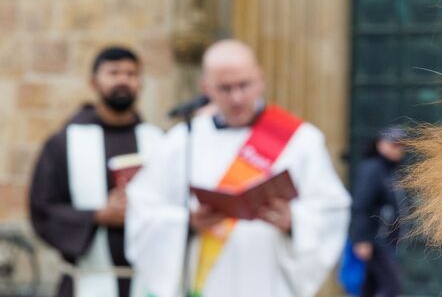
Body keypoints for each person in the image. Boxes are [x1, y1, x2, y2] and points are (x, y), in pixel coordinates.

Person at [126, 39, 351, 297]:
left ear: (261, 79)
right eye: (224, 88)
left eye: (244, 85)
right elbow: (143, 208)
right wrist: (188, 222)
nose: (237, 98)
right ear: (206, 87)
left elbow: (332, 210)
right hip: (206, 282)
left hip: (269, 280)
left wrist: (294, 221)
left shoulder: (301, 140)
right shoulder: (182, 140)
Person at [28, 47, 164, 297]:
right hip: (88, 281)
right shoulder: (64, 143)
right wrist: (97, 216)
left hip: (146, 283)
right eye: (113, 73)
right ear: (94, 82)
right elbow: (42, 207)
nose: (123, 80)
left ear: (140, 83)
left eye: (131, 74)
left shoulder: (159, 142)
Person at [349, 127, 408, 297]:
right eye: (394, 144)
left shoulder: (392, 170)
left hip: (387, 241)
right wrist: (362, 239)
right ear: (380, 144)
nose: (399, 149)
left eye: (401, 145)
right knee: (391, 286)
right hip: (375, 240)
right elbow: (362, 205)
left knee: (371, 287)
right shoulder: (373, 168)